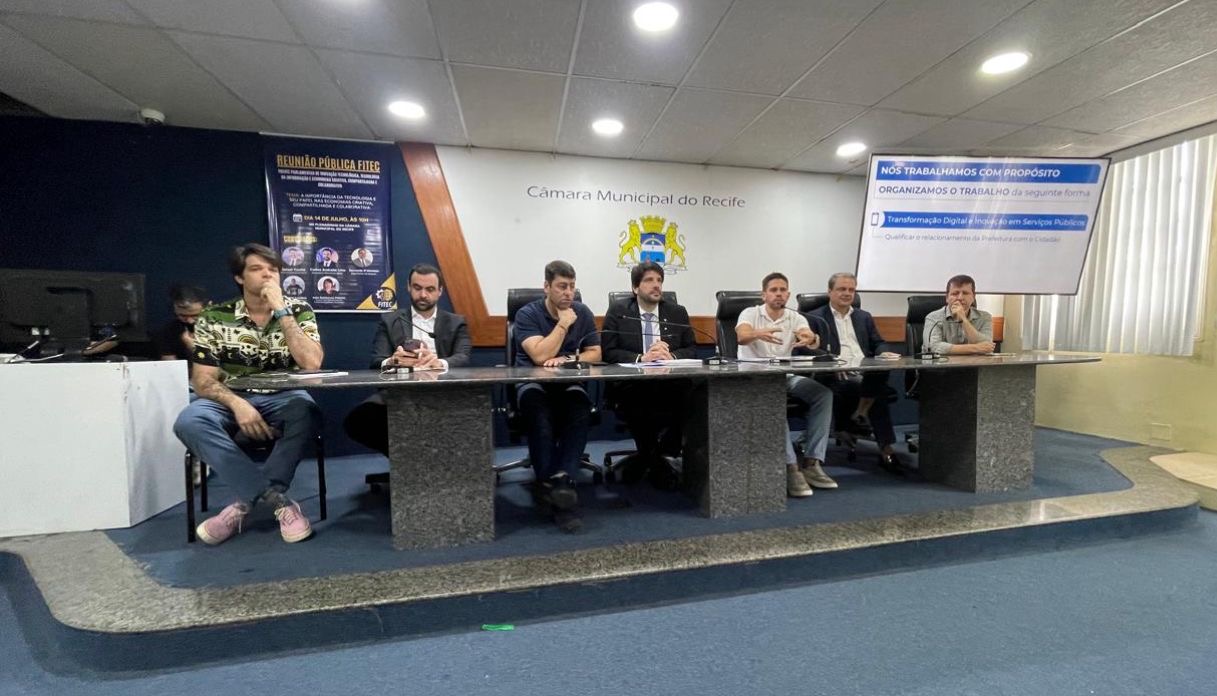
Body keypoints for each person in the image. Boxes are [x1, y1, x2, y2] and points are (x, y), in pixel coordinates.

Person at [173, 243, 325, 546]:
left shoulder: (299, 310)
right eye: (257, 269)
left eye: (273, 270)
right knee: (189, 421)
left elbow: (311, 363)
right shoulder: (215, 316)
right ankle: (276, 500)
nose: (268, 275)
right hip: (230, 395)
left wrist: (282, 311)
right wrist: (238, 404)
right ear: (240, 277)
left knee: (307, 412)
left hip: (285, 395)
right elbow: (202, 381)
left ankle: (245, 503)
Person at [343, 263, 472, 456]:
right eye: (417, 288)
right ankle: (406, 460)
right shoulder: (390, 320)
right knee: (361, 419)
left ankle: (422, 461)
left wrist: (439, 363)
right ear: (408, 287)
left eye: (430, 289)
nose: (423, 295)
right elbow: (377, 360)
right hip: (400, 392)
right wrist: (393, 361)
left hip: (443, 391)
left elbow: (463, 356)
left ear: (440, 291)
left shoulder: (456, 322)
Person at [514, 260, 601, 532]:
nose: (568, 293)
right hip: (532, 382)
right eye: (562, 286)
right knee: (539, 411)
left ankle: (562, 480)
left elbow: (596, 353)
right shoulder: (527, 314)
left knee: (579, 406)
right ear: (546, 287)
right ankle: (547, 482)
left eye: (572, 286)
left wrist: (569, 359)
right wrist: (563, 324)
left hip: (567, 384)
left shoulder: (582, 312)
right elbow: (539, 356)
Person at [736, 272, 835, 498]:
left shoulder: (795, 317)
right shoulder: (750, 313)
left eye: (783, 290)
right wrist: (758, 333)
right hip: (755, 379)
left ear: (788, 295)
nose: (778, 294)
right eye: (774, 290)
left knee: (823, 394)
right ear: (764, 294)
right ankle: (791, 467)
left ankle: (812, 462)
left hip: (785, 376)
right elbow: (742, 336)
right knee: (773, 398)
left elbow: (807, 335)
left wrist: (810, 338)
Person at [601, 261, 695, 487]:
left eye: (659, 280)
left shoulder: (677, 312)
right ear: (635, 287)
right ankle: (656, 462)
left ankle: (654, 455)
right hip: (632, 384)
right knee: (641, 397)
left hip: (670, 383)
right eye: (649, 280)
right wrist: (642, 358)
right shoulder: (620, 312)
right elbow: (609, 351)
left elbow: (691, 348)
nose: (656, 285)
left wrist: (671, 356)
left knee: (694, 394)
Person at [808, 272, 905, 475]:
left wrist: (882, 352)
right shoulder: (816, 318)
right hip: (835, 374)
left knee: (880, 371)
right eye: (842, 289)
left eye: (851, 290)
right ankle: (886, 449)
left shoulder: (863, 316)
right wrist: (834, 363)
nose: (847, 293)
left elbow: (878, 342)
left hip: (864, 370)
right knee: (877, 393)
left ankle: (859, 413)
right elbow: (809, 349)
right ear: (830, 291)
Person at [923, 274, 995, 355]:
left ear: (973, 297)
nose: (960, 298)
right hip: (943, 363)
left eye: (965, 293)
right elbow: (933, 347)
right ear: (947, 298)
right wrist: (976, 348)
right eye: (955, 293)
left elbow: (988, 346)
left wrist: (963, 320)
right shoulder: (933, 318)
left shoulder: (985, 317)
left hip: (974, 363)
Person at [156, 283, 207, 368]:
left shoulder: (222, 328)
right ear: (174, 310)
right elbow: (171, 367)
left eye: (195, 315)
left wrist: (194, 349)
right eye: (183, 316)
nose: (190, 321)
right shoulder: (168, 331)